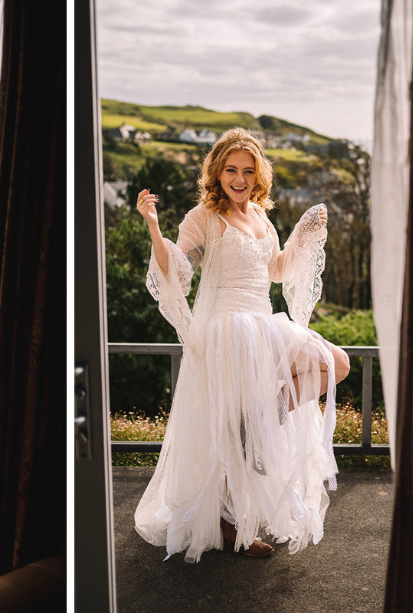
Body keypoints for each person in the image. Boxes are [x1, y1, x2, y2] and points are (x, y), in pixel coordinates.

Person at [133, 128, 351, 561]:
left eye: (247, 171)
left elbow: (277, 270)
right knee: (226, 429)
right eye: (231, 170)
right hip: (227, 331)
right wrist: (155, 230)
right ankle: (231, 520)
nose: (239, 178)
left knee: (337, 362)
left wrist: (303, 237)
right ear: (217, 173)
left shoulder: (262, 220)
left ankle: (264, 420)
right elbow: (179, 271)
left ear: (258, 176)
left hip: (265, 326)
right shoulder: (204, 217)